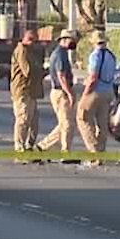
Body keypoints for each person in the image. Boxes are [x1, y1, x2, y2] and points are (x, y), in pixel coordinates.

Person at [77, 31, 117, 167]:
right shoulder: (111, 56)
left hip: (95, 91)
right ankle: (101, 152)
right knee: (102, 124)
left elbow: (93, 77)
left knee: (83, 118)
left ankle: (94, 151)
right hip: (108, 91)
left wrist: (85, 94)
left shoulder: (95, 56)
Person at [37, 30, 78, 161]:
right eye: (72, 40)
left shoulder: (62, 53)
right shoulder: (60, 54)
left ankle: (43, 146)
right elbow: (61, 75)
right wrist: (69, 92)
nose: (74, 43)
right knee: (66, 124)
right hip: (61, 92)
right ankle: (65, 153)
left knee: (65, 123)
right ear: (65, 39)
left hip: (60, 91)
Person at [9, 29, 45, 161]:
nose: (32, 43)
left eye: (35, 40)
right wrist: (40, 71)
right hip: (22, 89)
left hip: (32, 90)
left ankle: (29, 146)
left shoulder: (32, 52)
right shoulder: (22, 50)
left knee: (34, 121)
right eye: (30, 40)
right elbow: (27, 71)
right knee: (23, 119)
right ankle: (19, 148)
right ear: (24, 39)